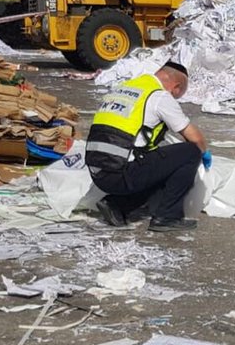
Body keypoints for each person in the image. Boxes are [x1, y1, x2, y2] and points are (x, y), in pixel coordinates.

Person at [85, 61, 211, 232]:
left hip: (98, 172)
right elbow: (195, 139)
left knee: (161, 163)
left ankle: (116, 204)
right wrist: (203, 153)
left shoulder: (125, 88)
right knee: (189, 152)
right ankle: (167, 217)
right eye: (178, 95)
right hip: (122, 173)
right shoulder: (160, 96)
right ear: (177, 87)